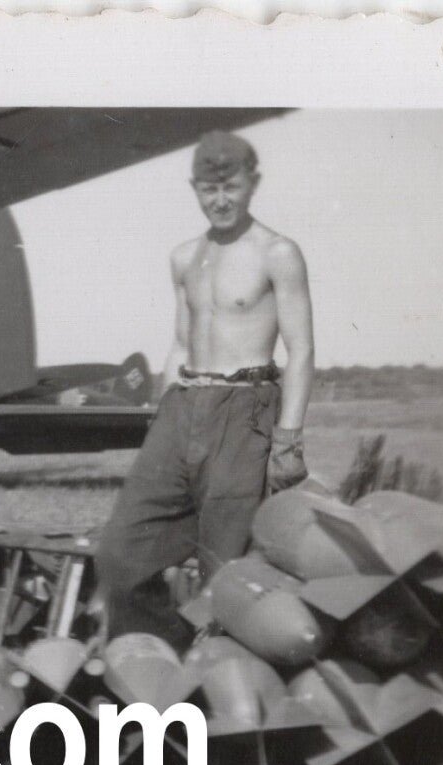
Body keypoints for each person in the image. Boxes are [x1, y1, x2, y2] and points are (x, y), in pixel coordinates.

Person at [94, 130, 315, 650]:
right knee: (120, 555)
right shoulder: (184, 258)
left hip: (245, 412)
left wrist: (288, 439)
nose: (220, 200)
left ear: (252, 183)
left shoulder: (277, 253)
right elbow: (178, 342)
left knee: (226, 565)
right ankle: (157, 658)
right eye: (208, 190)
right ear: (193, 188)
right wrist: (162, 420)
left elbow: (301, 351)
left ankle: (218, 678)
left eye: (231, 187)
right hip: (182, 405)